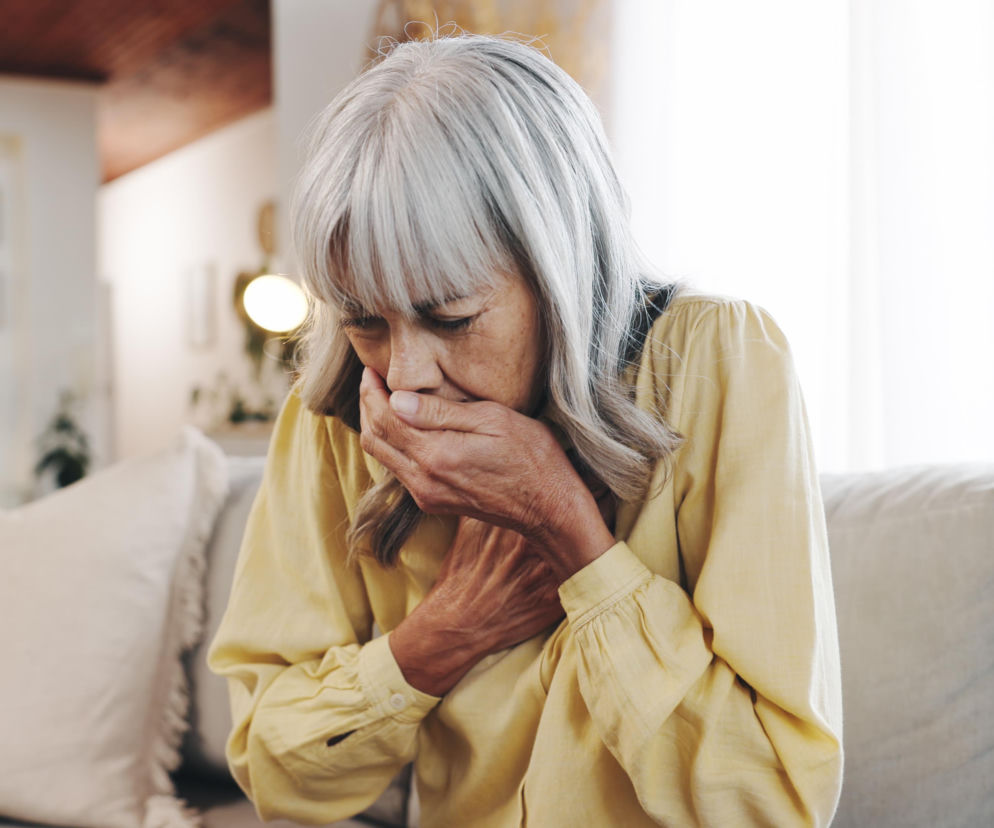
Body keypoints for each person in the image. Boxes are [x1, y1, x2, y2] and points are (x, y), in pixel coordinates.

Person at [208, 33, 843, 827]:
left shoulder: (719, 362)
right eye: (366, 319)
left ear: (559, 265)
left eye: (451, 317)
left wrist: (573, 535)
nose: (403, 379)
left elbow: (773, 805)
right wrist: (446, 633)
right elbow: (275, 771)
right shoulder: (335, 414)